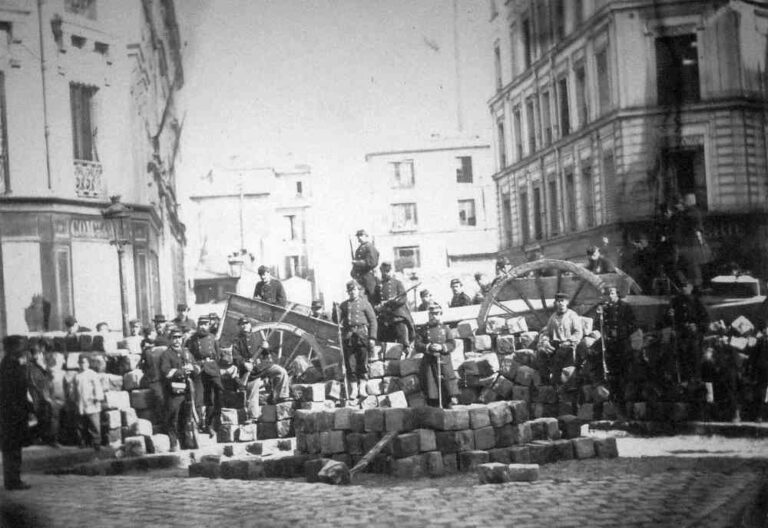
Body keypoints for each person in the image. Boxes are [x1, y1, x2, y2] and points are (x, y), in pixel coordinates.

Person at [231, 317, 291, 419]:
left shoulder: (258, 336)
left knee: (281, 372)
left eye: (246, 323)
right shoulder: (236, 341)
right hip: (250, 371)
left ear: (250, 325)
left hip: (262, 366)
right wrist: (244, 364)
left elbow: (266, 354)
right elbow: (235, 357)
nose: (244, 325)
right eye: (241, 324)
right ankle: (253, 417)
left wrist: (266, 347)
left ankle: (281, 397)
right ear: (239, 327)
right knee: (252, 393)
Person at [0, 335, 33, 490]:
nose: (23, 350)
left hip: (13, 411)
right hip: (12, 412)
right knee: (12, 448)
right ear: (13, 348)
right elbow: (16, 389)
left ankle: (13, 479)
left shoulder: (9, 363)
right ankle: (13, 481)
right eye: (20, 347)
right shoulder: (10, 365)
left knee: (13, 447)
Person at [159, 328, 199, 451]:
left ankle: (186, 443)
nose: (177, 341)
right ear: (170, 340)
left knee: (186, 417)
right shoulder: (166, 354)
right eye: (174, 338)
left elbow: (197, 367)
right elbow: (166, 372)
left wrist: (192, 368)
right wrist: (180, 371)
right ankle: (174, 443)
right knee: (173, 418)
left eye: (179, 338)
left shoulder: (187, 353)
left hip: (187, 390)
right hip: (174, 391)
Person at [664, 280, 709, 383]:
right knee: (678, 353)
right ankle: (681, 380)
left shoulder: (696, 302)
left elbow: (705, 320)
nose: (683, 289)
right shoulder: (675, 302)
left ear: (691, 287)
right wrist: (669, 315)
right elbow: (666, 321)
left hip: (693, 335)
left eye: (685, 286)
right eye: (681, 287)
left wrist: (696, 326)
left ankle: (695, 380)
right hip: (680, 333)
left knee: (694, 351)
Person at [336, 280, 377, 392]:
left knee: (362, 361)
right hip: (349, 336)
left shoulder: (365, 303)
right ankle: (354, 388)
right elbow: (337, 320)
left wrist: (372, 338)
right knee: (350, 363)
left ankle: (362, 387)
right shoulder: (344, 305)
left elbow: (373, 321)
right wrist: (335, 310)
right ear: (348, 292)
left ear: (358, 290)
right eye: (350, 290)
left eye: (354, 290)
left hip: (362, 335)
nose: (352, 292)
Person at [598, 286, 637, 405]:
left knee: (625, 368)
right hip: (610, 343)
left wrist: (623, 332)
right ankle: (614, 394)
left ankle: (626, 395)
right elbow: (599, 325)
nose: (610, 295)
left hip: (623, 342)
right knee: (612, 369)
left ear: (617, 294)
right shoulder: (605, 308)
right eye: (609, 293)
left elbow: (633, 324)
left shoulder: (625, 307)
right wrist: (599, 316)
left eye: (612, 293)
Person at [415, 303, 459, 408]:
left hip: (444, 359)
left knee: (446, 381)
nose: (434, 316)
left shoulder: (445, 329)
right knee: (431, 384)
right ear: (428, 315)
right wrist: (428, 347)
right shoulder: (423, 329)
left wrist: (442, 347)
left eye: (436, 314)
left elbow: (452, 344)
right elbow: (417, 345)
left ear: (440, 314)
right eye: (432, 314)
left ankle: (448, 402)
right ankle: (433, 404)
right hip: (429, 360)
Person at [537, 292, 584, 385]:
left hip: (568, 345)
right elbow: (546, 332)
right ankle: (545, 382)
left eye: (562, 301)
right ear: (556, 303)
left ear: (567, 302)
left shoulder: (572, 315)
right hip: (555, 344)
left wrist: (569, 341)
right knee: (541, 352)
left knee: (559, 355)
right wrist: (545, 342)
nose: (560, 303)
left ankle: (557, 384)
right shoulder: (553, 317)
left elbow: (578, 332)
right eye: (558, 301)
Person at [186, 316, 222, 435]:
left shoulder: (213, 338)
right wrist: (194, 365)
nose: (203, 326)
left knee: (213, 397)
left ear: (209, 325)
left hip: (212, 369)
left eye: (205, 324)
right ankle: (197, 424)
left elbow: (218, 356)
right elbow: (188, 355)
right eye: (201, 324)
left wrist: (216, 367)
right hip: (199, 370)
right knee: (198, 399)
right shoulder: (192, 339)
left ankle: (210, 424)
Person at [372, 262, 414, 352]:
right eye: (384, 271)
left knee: (403, 342)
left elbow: (403, 299)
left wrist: (391, 302)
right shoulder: (378, 287)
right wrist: (378, 307)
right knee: (386, 345)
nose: (386, 273)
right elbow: (375, 302)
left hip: (398, 316)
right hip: (385, 318)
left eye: (388, 271)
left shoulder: (398, 283)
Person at [27, 339, 59, 447]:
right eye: (35, 353)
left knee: (51, 416)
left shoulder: (47, 364)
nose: (37, 356)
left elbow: (52, 377)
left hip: (48, 394)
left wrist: (43, 366)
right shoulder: (29, 366)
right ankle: (41, 438)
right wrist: (28, 395)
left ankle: (52, 440)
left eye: (39, 353)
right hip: (35, 394)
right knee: (40, 417)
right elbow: (26, 381)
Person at [70, 354, 105, 451]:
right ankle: (83, 442)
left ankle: (96, 443)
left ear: (88, 364)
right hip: (81, 403)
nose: (82, 365)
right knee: (81, 424)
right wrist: (74, 400)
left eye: (84, 362)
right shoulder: (76, 376)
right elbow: (73, 390)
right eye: (80, 363)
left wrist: (97, 398)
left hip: (91, 402)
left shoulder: (92, 374)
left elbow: (97, 387)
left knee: (94, 424)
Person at [350, 229, 379, 299]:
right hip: (360, 277)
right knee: (360, 297)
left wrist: (357, 263)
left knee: (371, 296)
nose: (359, 238)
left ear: (366, 236)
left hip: (368, 276)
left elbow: (372, 262)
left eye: (361, 235)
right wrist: (353, 271)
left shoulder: (369, 247)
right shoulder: (359, 249)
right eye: (358, 236)